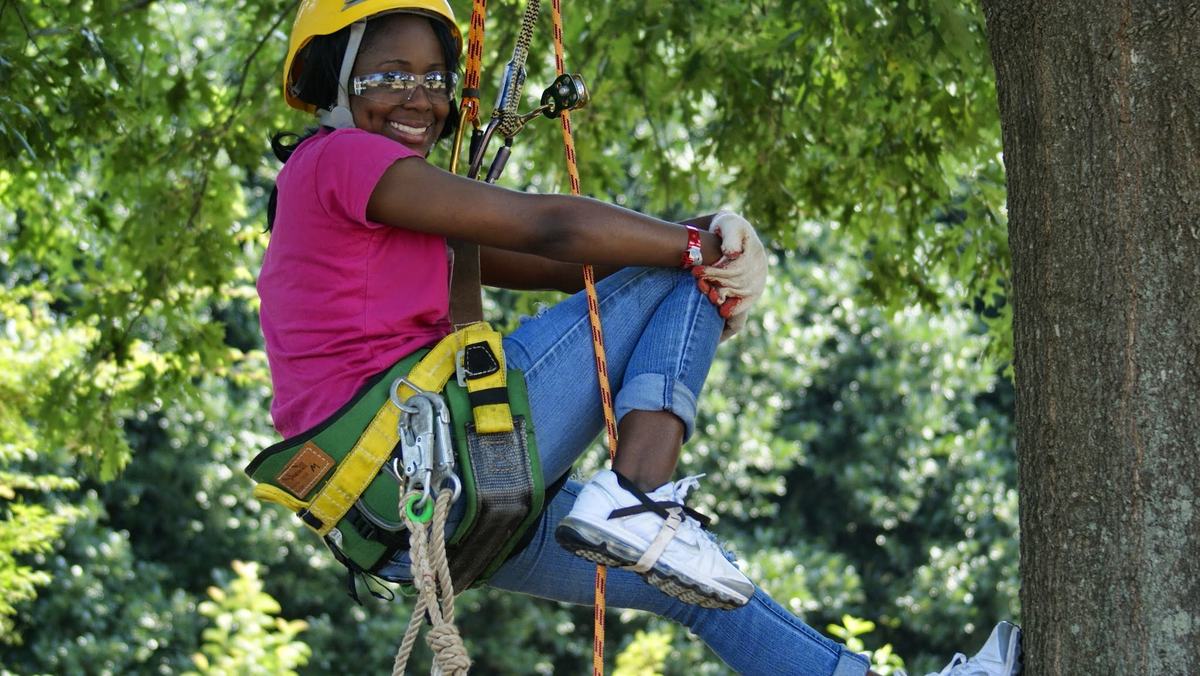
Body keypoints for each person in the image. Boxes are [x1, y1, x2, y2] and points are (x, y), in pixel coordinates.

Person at [256, 1, 1022, 674]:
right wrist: (702, 251)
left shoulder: (384, 205)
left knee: (696, 588)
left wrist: (699, 233)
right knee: (676, 273)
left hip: (405, 514)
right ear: (335, 78)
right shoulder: (344, 160)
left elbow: (562, 267)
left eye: (433, 78)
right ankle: (640, 497)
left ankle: (648, 522)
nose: (417, 97)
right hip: (419, 461)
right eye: (387, 75)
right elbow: (550, 224)